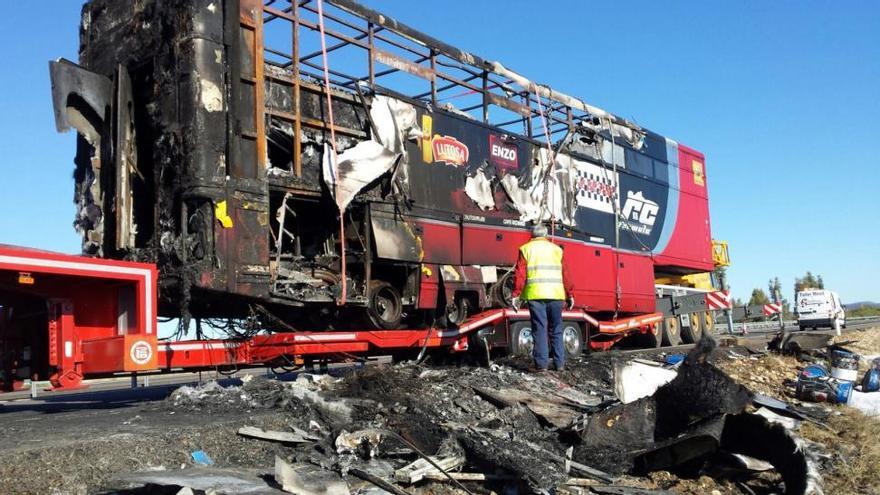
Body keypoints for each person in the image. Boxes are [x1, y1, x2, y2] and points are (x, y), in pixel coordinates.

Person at [510, 224, 575, 371]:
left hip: (536, 295)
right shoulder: (557, 250)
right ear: (545, 235)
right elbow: (566, 275)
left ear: (532, 235)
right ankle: (559, 364)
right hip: (556, 295)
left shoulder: (526, 249)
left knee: (539, 328)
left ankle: (541, 365)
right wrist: (570, 294)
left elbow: (520, 275)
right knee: (557, 329)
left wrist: (516, 295)